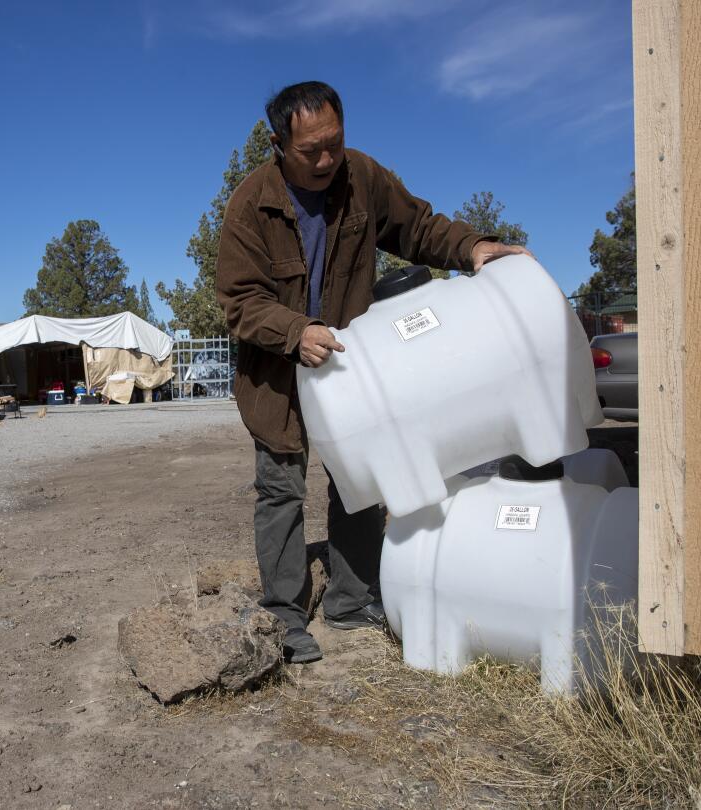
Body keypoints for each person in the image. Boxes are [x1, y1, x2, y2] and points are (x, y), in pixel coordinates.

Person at [215, 81, 530, 663]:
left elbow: (419, 227)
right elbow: (239, 299)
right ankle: (285, 617)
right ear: (278, 143)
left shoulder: (361, 177)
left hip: (349, 368)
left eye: (334, 143)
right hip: (277, 374)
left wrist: (474, 248)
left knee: (361, 482)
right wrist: (293, 332)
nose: (326, 160)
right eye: (310, 150)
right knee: (281, 488)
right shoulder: (250, 203)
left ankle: (350, 599)